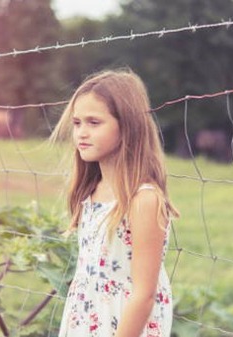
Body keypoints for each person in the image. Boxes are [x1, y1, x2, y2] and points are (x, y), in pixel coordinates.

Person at [51, 68, 179, 337]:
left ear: (127, 126)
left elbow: (144, 295)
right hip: (85, 322)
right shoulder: (92, 192)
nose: (81, 133)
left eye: (94, 123)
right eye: (77, 123)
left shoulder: (143, 199)